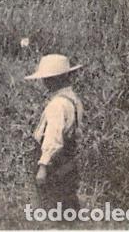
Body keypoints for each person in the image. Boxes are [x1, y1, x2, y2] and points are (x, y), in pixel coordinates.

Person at [26, 53, 84, 212]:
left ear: (56, 79)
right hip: (68, 160)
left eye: (47, 78)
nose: (44, 82)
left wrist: (43, 167)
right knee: (67, 203)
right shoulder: (73, 99)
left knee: (50, 206)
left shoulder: (57, 104)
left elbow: (53, 138)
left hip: (54, 163)